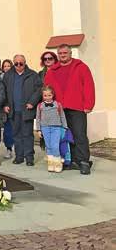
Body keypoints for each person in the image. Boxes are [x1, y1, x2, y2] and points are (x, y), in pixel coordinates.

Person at [44, 44, 95, 175]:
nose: (63, 55)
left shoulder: (81, 67)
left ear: (70, 53)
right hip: (59, 109)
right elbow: (47, 90)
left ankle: (83, 161)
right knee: (65, 136)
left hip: (77, 107)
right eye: (60, 53)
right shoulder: (52, 71)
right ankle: (70, 160)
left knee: (79, 134)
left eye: (65, 53)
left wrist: (89, 104)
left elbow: (88, 86)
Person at [2, 55, 42, 166]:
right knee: (16, 134)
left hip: (27, 110)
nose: (19, 66)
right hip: (13, 110)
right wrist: (5, 104)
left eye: (21, 63)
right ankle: (19, 156)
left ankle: (29, 157)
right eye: (16, 64)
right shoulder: (8, 75)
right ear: (13, 63)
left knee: (27, 134)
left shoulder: (32, 75)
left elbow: (39, 90)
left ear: (25, 63)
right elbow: (3, 91)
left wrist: (32, 102)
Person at [36, 86, 68, 173]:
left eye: (49, 95)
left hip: (56, 127)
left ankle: (57, 163)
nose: (47, 97)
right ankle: (51, 163)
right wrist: (38, 130)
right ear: (43, 96)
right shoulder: (40, 106)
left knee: (55, 145)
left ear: (53, 95)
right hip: (45, 128)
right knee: (48, 146)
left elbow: (62, 116)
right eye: (45, 95)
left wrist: (65, 127)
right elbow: (38, 118)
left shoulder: (58, 104)